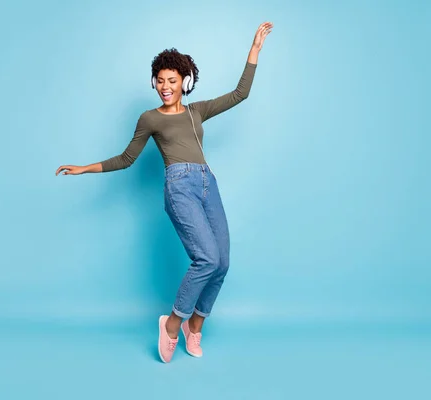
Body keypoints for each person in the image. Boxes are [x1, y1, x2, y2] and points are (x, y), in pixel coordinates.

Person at [56, 21, 273, 363]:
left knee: (223, 262)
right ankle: (172, 324)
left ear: (185, 82)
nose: (165, 87)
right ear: (154, 83)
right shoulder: (149, 119)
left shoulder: (196, 111)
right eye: (160, 81)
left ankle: (195, 327)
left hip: (207, 183)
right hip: (179, 187)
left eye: (172, 80)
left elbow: (239, 94)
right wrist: (85, 167)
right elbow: (128, 158)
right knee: (207, 258)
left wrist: (254, 51)